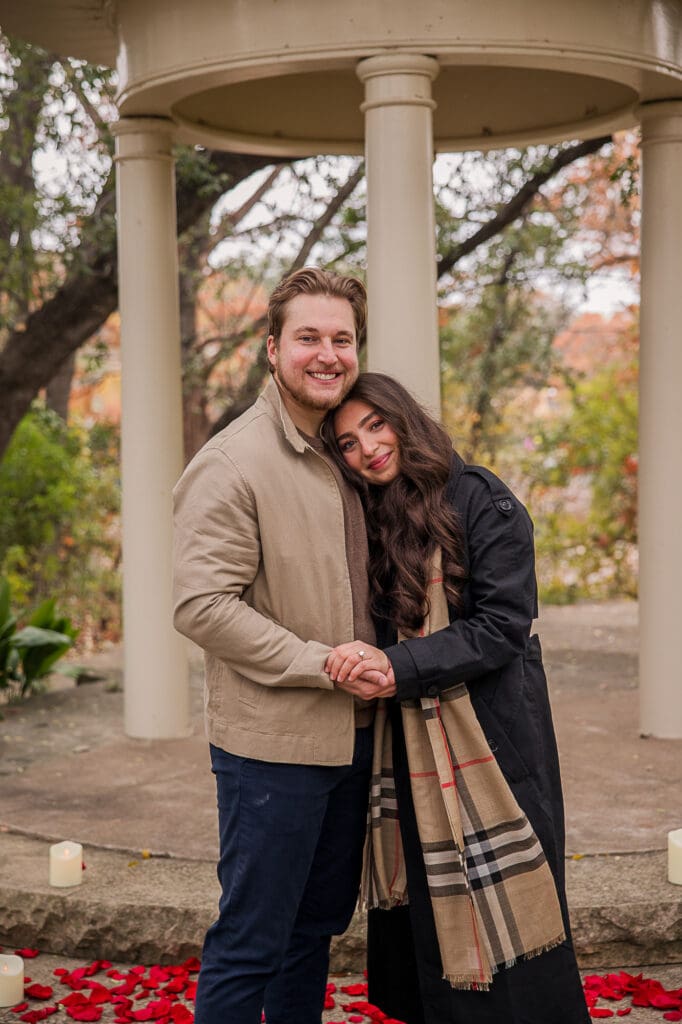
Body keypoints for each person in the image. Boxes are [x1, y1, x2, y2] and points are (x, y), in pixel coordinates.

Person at [323, 373, 590, 1024]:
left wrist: (397, 664)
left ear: (403, 418)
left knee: (508, 930)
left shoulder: (479, 499)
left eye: (376, 425)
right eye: (349, 443)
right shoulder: (371, 517)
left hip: (491, 741)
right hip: (412, 745)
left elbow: (503, 625)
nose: (369, 449)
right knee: (428, 913)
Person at [172, 269, 392, 1024]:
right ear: (272, 349)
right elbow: (201, 604)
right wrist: (322, 664)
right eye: (308, 338)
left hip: (356, 739)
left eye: (342, 339)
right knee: (250, 942)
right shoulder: (234, 461)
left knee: (312, 933)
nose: (327, 354)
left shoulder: (348, 451)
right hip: (274, 749)